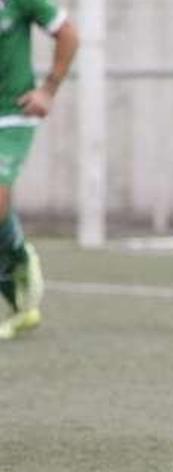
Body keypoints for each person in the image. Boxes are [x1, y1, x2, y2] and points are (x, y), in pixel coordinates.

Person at [0, 0, 77, 340]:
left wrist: (48, 89)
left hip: (11, 115)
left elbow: (68, 34)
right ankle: (19, 302)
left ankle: (19, 255)